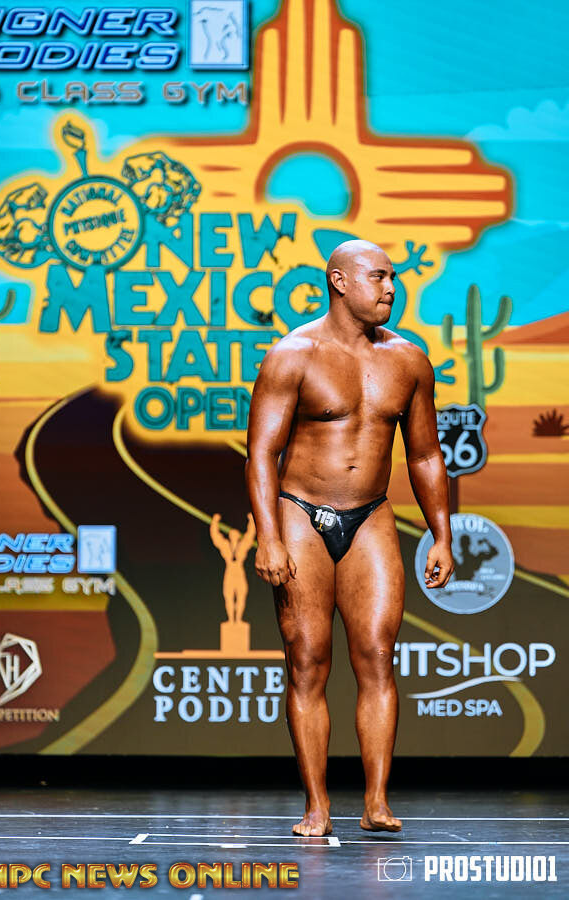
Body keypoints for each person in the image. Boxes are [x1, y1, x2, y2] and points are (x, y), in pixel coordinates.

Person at [245, 239, 454, 837]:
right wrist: (268, 537)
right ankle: (317, 805)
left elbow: (425, 455)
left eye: (393, 278)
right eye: (378, 277)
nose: (390, 288)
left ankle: (376, 802)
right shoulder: (294, 355)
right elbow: (261, 453)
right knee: (307, 660)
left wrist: (441, 536)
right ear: (339, 282)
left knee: (378, 657)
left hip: (371, 515)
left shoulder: (408, 360)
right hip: (300, 514)